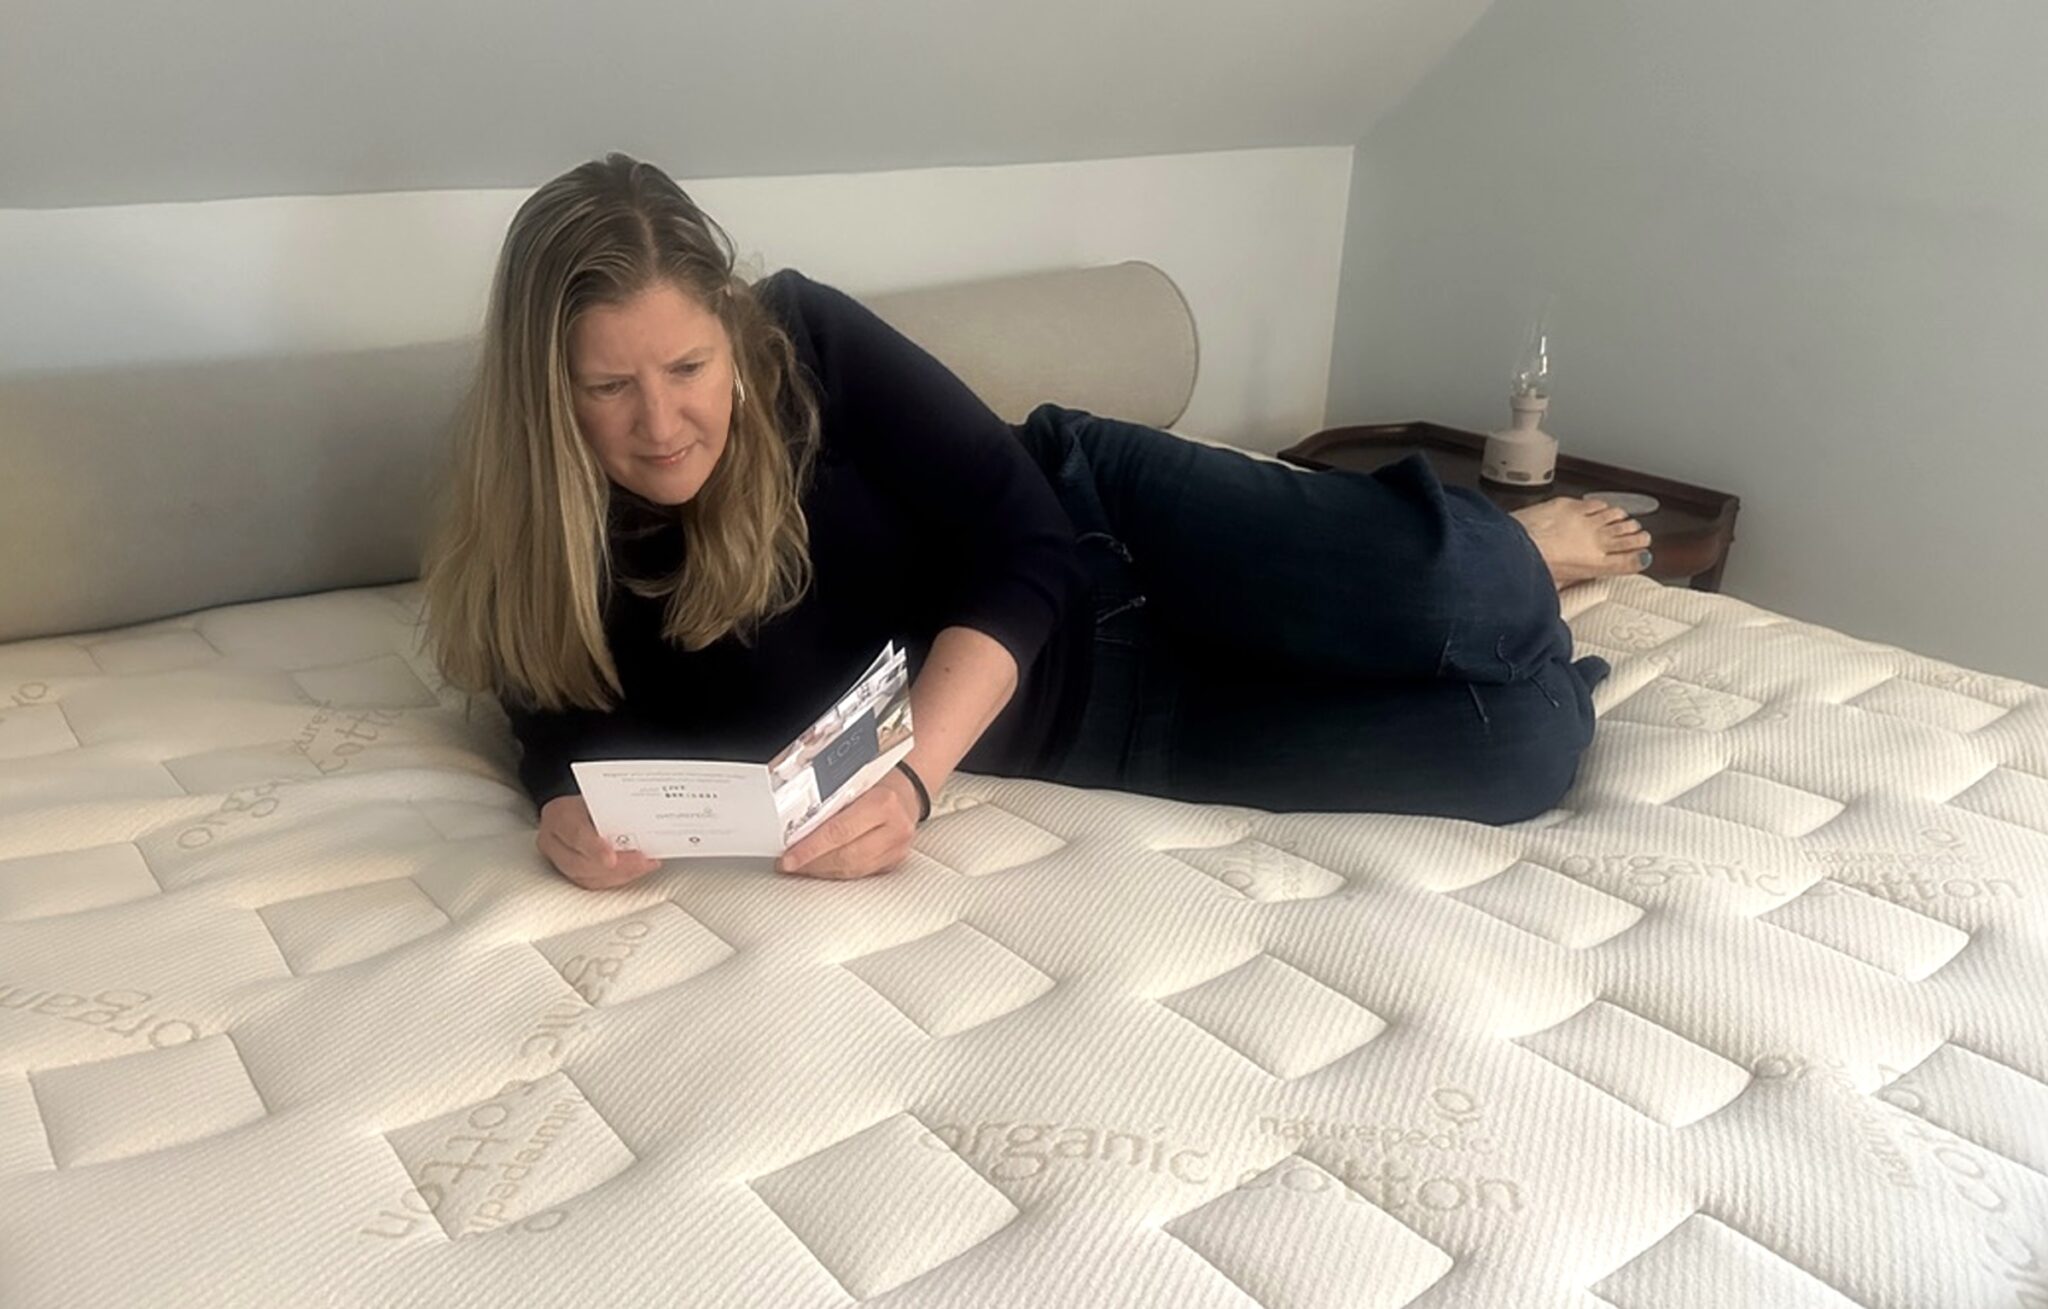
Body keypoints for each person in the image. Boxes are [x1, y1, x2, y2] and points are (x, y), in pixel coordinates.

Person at [420, 153, 1653, 891]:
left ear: (730, 329)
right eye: (607, 387)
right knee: (1518, 759)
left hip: (1107, 535)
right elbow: (550, 718)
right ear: (545, 393)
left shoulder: (801, 338)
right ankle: (1505, 623)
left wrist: (909, 777)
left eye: (687, 367)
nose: (661, 422)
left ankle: (1523, 547)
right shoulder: (543, 545)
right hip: (1082, 726)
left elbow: (1022, 538)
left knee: (1469, 602)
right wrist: (560, 809)